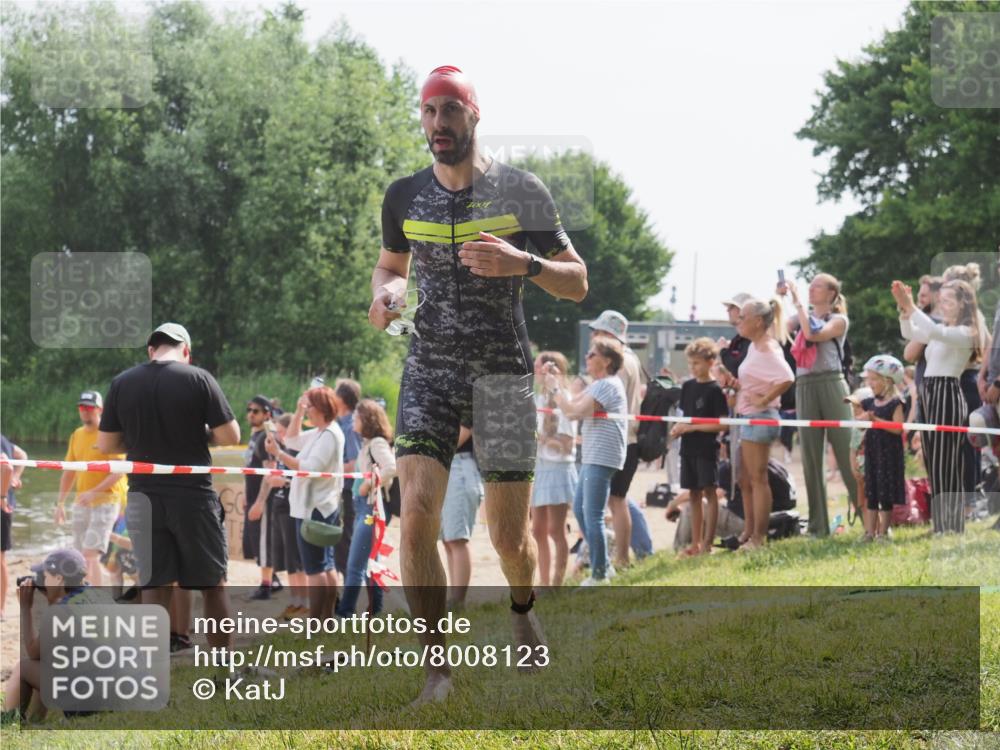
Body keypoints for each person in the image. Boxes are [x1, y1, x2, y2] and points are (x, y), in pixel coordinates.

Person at [368, 65, 587, 703]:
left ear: (474, 114)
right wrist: (386, 293)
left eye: (449, 110)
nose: (437, 123)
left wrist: (525, 262)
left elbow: (577, 281)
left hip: (502, 377)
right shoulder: (403, 196)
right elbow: (389, 265)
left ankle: (523, 607)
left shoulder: (521, 191)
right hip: (429, 370)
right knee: (416, 515)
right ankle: (437, 672)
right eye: (428, 111)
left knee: (509, 538)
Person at [98, 323, 238, 652]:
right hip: (192, 496)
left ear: (151, 350)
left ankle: (151, 670)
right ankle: (223, 668)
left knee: (154, 585)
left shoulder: (122, 382)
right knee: (213, 585)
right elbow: (230, 436)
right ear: (185, 350)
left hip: (143, 496)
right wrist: (198, 434)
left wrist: (138, 438)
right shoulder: (199, 378)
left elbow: (106, 444)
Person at [894, 279, 982, 533]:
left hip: (947, 394)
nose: (942, 305)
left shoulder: (966, 332)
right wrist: (904, 310)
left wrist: (911, 306)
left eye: (948, 301)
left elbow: (932, 331)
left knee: (946, 461)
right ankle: (942, 522)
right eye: (941, 300)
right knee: (933, 460)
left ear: (963, 304)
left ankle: (951, 523)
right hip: (930, 393)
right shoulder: (942, 327)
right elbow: (910, 333)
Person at [545, 337, 627, 584]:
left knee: (592, 515)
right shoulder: (599, 385)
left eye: (593, 354)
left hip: (601, 456)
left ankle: (600, 574)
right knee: (581, 511)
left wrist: (555, 389)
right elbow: (571, 403)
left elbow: (572, 412)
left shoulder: (608, 384)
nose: (587, 357)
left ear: (607, 361)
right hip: (594, 455)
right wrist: (557, 382)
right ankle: (604, 563)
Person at [786, 274, 858, 536]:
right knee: (811, 457)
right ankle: (818, 525)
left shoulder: (838, 320)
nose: (811, 289)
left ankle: (869, 517)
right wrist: (780, 299)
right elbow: (780, 328)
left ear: (831, 294)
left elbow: (812, 334)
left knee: (846, 451)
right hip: (805, 384)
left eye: (818, 286)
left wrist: (797, 303)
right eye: (810, 285)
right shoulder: (801, 316)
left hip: (832, 383)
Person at [265, 387, 344, 619]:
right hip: (320, 506)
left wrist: (279, 455)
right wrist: (298, 411)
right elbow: (291, 439)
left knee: (315, 569)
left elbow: (310, 468)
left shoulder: (328, 435)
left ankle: (318, 621)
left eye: (309, 407)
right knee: (326, 565)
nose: (307, 411)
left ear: (320, 408)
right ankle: (326, 619)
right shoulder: (323, 432)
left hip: (315, 508)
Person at [1, 549, 97, 723]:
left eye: (45, 576)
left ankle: (8, 721)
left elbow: (33, 653)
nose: (42, 582)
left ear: (59, 578)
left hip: (87, 702)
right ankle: (35, 720)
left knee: (24, 668)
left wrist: (25, 609)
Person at [733, 299, 794, 550]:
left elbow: (787, 377)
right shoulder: (755, 346)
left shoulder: (767, 347)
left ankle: (759, 537)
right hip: (749, 416)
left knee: (758, 479)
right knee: (745, 479)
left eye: (743, 317)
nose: (738, 321)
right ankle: (750, 532)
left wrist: (765, 399)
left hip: (762, 417)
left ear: (758, 321)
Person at [53, 391, 128, 587]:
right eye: (82, 407)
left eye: (89, 407)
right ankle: (87, 593)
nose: (85, 411)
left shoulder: (109, 434)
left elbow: (119, 471)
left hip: (107, 501)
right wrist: (60, 503)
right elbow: (69, 471)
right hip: (82, 502)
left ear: (100, 410)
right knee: (79, 555)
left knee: (90, 553)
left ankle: (95, 598)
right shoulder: (76, 435)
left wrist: (95, 491)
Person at [589, 311, 643, 569]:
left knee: (617, 500)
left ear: (609, 335)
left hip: (619, 438)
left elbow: (604, 399)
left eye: (598, 332)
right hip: (626, 436)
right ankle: (621, 557)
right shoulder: (631, 359)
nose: (593, 336)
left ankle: (621, 558)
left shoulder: (619, 363)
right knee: (617, 499)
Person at [336, 399, 397, 617]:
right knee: (371, 563)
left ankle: (345, 613)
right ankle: (375, 610)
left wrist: (368, 484)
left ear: (367, 419)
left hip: (371, 508)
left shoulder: (377, 443)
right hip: (363, 508)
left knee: (355, 566)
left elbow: (391, 467)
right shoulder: (367, 444)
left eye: (357, 416)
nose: (353, 419)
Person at [670, 338, 730, 556]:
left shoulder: (715, 390)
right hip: (688, 447)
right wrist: (678, 428)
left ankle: (707, 543)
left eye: (696, 363)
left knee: (709, 493)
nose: (692, 367)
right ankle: (695, 543)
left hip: (706, 448)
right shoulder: (687, 387)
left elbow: (723, 424)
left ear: (710, 362)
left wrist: (692, 428)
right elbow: (684, 416)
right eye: (690, 363)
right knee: (693, 494)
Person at [250, 413, 308, 619]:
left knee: (297, 560)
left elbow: (306, 479)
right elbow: (271, 477)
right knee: (289, 561)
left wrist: (284, 481)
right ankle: (295, 601)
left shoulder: (296, 451)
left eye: (281, 432)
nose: (279, 436)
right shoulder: (281, 452)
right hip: (280, 507)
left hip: (294, 508)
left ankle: (304, 602)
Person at [531, 351, 577, 588]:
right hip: (539, 468)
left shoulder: (564, 398)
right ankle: (544, 582)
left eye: (539, 367)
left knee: (556, 530)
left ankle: (557, 583)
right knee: (537, 530)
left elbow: (567, 444)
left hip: (558, 469)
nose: (536, 372)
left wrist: (540, 439)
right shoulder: (537, 399)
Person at [858, 356, 906, 541]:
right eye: (868, 379)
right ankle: (869, 532)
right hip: (873, 452)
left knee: (885, 494)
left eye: (874, 379)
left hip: (889, 455)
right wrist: (862, 421)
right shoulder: (869, 403)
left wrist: (875, 420)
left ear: (887, 381)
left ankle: (883, 533)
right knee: (871, 493)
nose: (869, 383)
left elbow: (897, 428)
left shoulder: (896, 403)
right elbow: (862, 423)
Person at [439, 426, 483, 610]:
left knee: (457, 539)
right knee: (448, 540)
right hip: (445, 465)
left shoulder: (466, 406)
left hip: (460, 466)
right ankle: (454, 599)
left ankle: (458, 601)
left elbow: (465, 430)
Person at [243, 395, 277, 600]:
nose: (250, 414)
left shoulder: (266, 436)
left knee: (264, 541)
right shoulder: (255, 436)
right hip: (252, 496)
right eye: (249, 410)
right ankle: (274, 580)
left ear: (266, 414)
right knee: (256, 541)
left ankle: (266, 586)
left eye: (255, 411)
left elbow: (270, 472)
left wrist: (260, 502)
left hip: (265, 499)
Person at [332, 379, 363, 583]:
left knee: (345, 537)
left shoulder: (350, 425)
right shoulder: (340, 422)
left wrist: (329, 470)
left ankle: (350, 581)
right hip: (340, 488)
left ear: (342, 398)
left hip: (349, 490)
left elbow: (354, 462)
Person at [0, 434, 26, 620]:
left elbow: (7, 466)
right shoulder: (3, 439)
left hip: (2, 504)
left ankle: (0, 609)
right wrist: (15, 478)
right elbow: (22, 455)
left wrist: (2, 495)